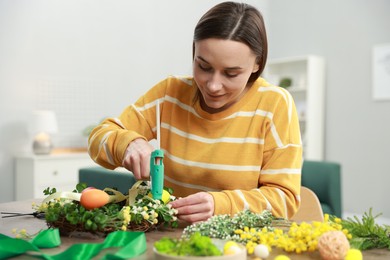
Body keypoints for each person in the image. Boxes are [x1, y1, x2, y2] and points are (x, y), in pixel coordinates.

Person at [88, 1, 302, 223]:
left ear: (257, 64)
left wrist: (220, 205)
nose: (213, 86)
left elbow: (284, 200)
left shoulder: (274, 104)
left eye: (231, 73)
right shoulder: (169, 93)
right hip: (167, 241)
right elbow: (98, 137)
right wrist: (127, 143)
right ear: (194, 52)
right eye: (204, 66)